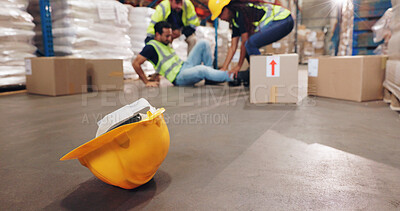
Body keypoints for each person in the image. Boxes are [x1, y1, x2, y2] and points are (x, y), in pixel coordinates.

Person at [208, 0, 294, 85]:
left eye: (220, 15)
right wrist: (224, 68)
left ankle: (261, 78)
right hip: (282, 21)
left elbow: (245, 42)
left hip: (283, 19)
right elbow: (233, 47)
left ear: (226, 9)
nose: (221, 19)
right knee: (247, 48)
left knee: (250, 44)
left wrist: (238, 66)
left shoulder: (242, 12)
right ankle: (254, 75)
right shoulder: (235, 21)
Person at [133, 21, 233, 87]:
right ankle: (234, 76)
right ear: (158, 34)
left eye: (170, 35)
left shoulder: (164, 42)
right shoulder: (151, 47)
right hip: (179, 77)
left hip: (184, 66)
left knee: (203, 43)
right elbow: (135, 63)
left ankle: (210, 78)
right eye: (166, 36)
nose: (169, 38)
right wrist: (146, 82)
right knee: (202, 70)